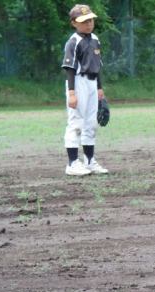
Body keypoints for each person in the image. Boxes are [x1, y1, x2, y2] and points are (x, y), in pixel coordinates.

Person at [61, 4, 108, 176]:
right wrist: (72, 93)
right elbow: (70, 69)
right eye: (84, 21)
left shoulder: (95, 39)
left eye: (90, 20)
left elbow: (97, 66)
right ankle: (72, 163)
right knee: (76, 123)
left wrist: (99, 88)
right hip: (78, 83)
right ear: (74, 23)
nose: (89, 24)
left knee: (91, 124)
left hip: (92, 84)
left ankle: (89, 161)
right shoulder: (73, 42)